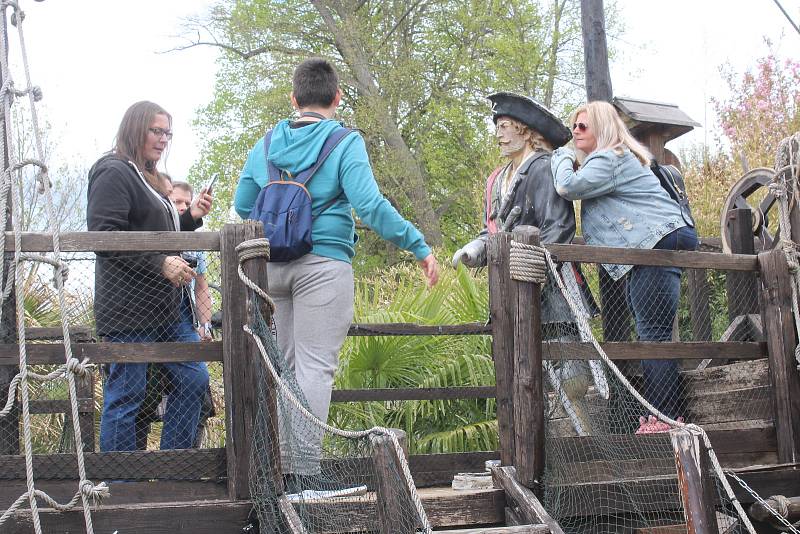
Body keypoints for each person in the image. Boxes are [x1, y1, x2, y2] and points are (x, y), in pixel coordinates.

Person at [234, 58, 439, 487]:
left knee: (288, 366)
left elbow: (242, 202)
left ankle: (283, 469)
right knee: (314, 367)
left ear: (294, 99)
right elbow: (370, 206)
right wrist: (418, 245)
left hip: (272, 267)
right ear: (337, 97)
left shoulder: (267, 142)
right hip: (322, 265)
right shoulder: (344, 141)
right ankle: (303, 476)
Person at [452, 92, 597, 434]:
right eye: (498, 127)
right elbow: (495, 229)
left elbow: (559, 227)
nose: (499, 134)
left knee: (570, 378)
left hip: (551, 290)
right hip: (510, 293)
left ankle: (586, 447)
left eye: (505, 126)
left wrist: (535, 269)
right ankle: (536, 450)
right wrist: (477, 248)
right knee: (523, 376)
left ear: (526, 130)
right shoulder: (498, 179)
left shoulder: (543, 168)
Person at [551, 100, 699, 431]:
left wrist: (560, 158)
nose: (575, 131)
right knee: (652, 331)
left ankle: (665, 418)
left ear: (602, 128)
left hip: (653, 243)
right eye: (573, 126)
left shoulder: (610, 156)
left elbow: (567, 187)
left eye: (583, 126)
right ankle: (660, 414)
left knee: (653, 335)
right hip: (650, 245)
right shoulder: (613, 159)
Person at [87, 101, 213, 451]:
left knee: (193, 379)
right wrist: (160, 263)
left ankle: (173, 470)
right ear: (135, 129)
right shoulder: (113, 171)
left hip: (168, 311)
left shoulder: (151, 179)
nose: (163, 140)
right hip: (128, 311)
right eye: (156, 131)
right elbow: (103, 237)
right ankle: (118, 487)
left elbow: (158, 232)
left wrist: (191, 218)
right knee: (127, 395)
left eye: (167, 133)